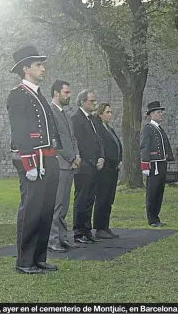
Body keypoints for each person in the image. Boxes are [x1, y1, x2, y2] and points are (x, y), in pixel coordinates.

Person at [7, 46, 61, 274]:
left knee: (46, 210)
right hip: (34, 160)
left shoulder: (38, 94)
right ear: (26, 68)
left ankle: (39, 257)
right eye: (38, 65)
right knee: (30, 210)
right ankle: (24, 261)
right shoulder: (17, 94)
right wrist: (29, 163)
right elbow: (19, 132)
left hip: (48, 159)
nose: (43, 68)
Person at [47, 80, 81, 253]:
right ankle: (52, 239)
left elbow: (72, 138)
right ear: (56, 93)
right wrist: (71, 156)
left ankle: (62, 237)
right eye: (66, 92)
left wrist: (77, 155)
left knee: (65, 203)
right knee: (57, 204)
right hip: (60, 164)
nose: (69, 96)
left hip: (70, 164)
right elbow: (56, 141)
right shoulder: (50, 112)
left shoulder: (66, 114)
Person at [70, 90, 104, 245]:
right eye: (92, 101)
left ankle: (87, 230)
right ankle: (78, 231)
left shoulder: (93, 120)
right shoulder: (76, 119)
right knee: (81, 199)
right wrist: (90, 159)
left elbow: (99, 140)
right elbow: (80, 142)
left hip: (95, 164)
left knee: (91, 198)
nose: (94, 104)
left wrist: (101, 157)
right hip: (84, 165)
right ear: (83, 102)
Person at [140, 101, 174, 227]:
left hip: (161, 163)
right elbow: (144, 147)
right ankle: (151, 218)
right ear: (152, 114)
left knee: (159, 191)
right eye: (158, 112)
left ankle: (156, 216)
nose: (161, 115)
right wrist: (145, 165)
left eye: (161, 112)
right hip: (153, 165)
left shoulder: (159, 129)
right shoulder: (148, 129)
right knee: (152, 191)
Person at [94, 103, 122, 239]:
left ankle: (105, 226)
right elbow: (103, 147)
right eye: (107, 112)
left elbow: (116, 145)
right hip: (105, 168)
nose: (110, 115)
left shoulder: (109, 128)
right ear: (100, 114)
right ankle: (99, 227)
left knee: (109, 198)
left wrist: (119, 160)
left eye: (111, 112)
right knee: (102, 197)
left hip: (113, 167)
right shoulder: (99, 129)